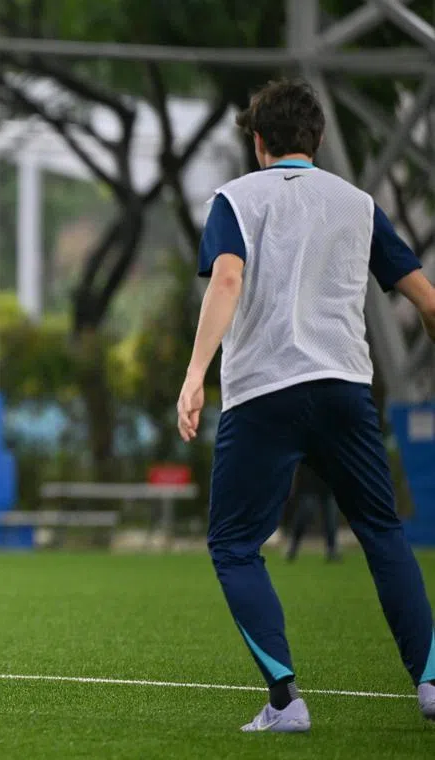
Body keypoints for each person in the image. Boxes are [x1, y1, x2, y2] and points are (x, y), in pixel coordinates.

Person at [176, 78, 435, 732]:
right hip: (345, 390)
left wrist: (194, 373)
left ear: (258, 142)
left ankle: (286, 702)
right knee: (382, 532)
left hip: (264, 394)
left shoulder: (236, 198)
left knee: (234, 544)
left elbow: (228, 278)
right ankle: (431, 684)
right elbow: (426, 299)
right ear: (315, 140)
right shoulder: (357, 203)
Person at [285, 464, 341, 562]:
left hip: (328, 487)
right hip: (309, 485)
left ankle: (332, 550)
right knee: (304, 516)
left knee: (331, 520)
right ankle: (293, 547)